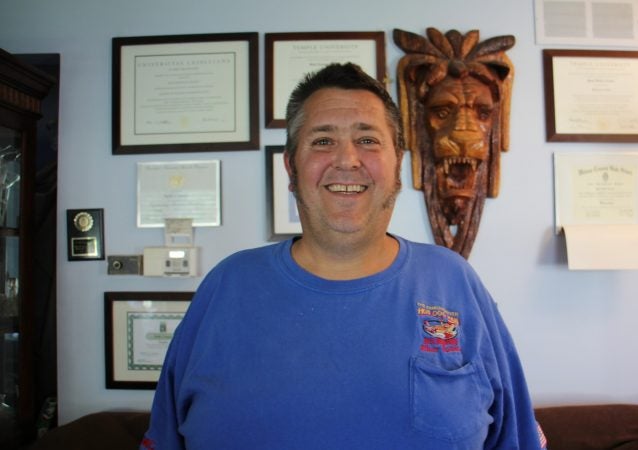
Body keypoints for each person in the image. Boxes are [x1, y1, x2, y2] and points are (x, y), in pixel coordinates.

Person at [141, 63, 547, 450]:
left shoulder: (454, 282)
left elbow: (515, 437)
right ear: (291, 167)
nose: (347, 160)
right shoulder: (226, 286)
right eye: (323, 141)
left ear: (398, 165)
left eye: (368, 140)